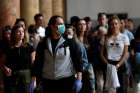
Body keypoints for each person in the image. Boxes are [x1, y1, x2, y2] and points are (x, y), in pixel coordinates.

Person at [32, 15, 83, 93]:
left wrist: (79, 79)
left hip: (66, 80)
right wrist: (34, 80)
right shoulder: (43, 43)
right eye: (59, 24)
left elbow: (78, 59)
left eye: (63, 24)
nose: (62, 26)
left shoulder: (69, 41)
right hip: (48, 81)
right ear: (52, 26)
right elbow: (38, 62)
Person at [100, 15, 129, 93]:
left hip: (121, 64)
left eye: (116, 23)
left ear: (119, 24)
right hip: (109, 64)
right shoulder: (105, 37)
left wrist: (118, 65)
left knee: (121, 88)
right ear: (109, 25)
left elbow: (125, 54)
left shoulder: (124, 37)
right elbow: (101, 54)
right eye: (112, 24)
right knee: (109, 89)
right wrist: (108, 64)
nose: (114, 26)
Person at [5, 24, 35, 93]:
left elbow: (33, 63)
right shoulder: (9, 48)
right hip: (13, 79)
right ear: (14, 33)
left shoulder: (29, 47)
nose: (21, 33)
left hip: (27, 78)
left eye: (22, 31)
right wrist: (5, 68)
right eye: (18, 31)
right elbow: (2, 62)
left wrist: (34, 79)